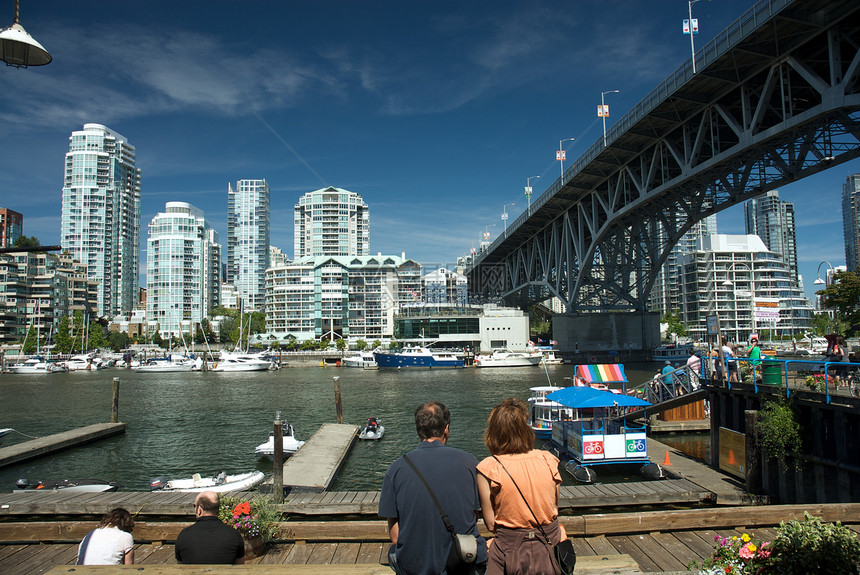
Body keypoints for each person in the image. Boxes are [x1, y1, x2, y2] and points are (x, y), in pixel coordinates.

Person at [379, 401, 487, 575]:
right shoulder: (469, 463)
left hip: (416, 566)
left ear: (418, 430)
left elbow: (395, 536)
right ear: (446, 429)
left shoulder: (396, 469)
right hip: (461, 563)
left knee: (393, 554)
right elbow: (472, 517)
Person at [476, 398, 566, 575]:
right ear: (525, 429)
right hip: (549, 547)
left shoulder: (489, 468)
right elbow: (554, 505)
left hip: (509, 550)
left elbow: (491, 524)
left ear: (493, 432)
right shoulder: (548, 460)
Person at [175, 491, 245, 564]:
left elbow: (180, 565)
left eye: (194, 506)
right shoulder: (234, 535)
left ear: (199, 510)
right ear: (218, 510)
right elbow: (240, 567)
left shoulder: (184, 535)